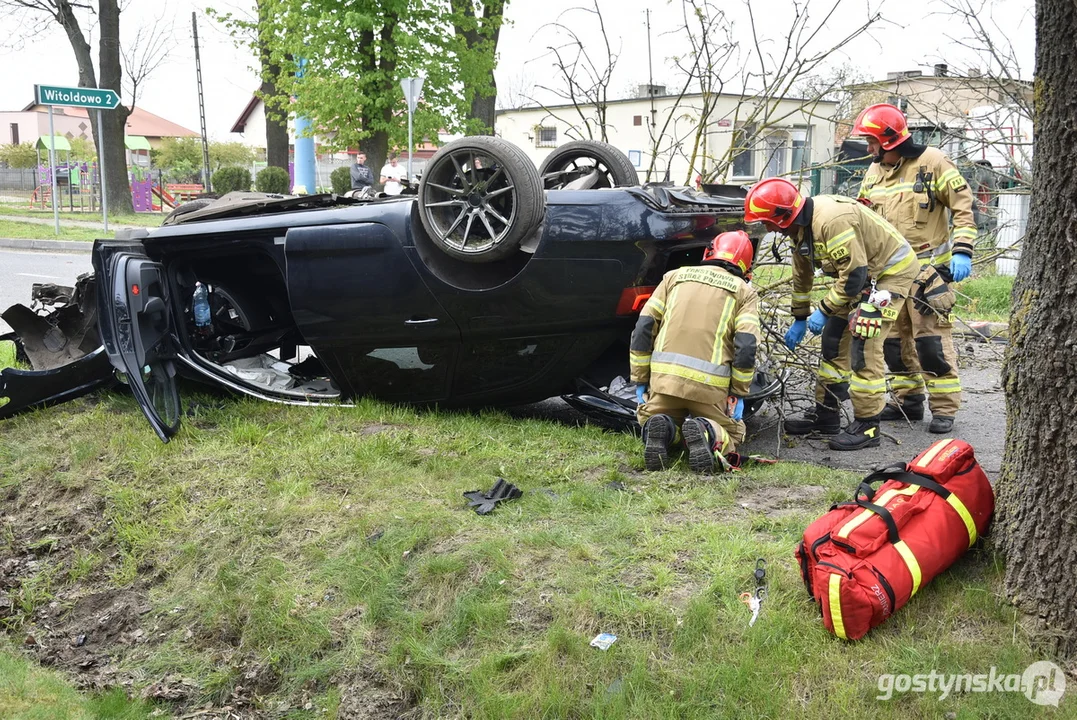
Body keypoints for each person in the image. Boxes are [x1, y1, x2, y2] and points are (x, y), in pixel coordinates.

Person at [744, 178, 920, 451]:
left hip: (888, 276)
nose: (766, 228)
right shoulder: (801, 229)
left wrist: (823, 310)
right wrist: (801, 316)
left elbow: (854, 275)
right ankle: (827, 415)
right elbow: (801, 277)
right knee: (834, 340)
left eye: (767, 222)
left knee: (864, 344)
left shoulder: (831, 220)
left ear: (783, 216)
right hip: (862, 279)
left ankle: (868, 425)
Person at [853, 103, 975, 434]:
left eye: (872, 142)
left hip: (928, 276)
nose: (869, 149)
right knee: (893, 342)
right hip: (890, 279)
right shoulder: (873, 173)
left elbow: (963, 206)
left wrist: (962, 251)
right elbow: (864, 220)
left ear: (889, 141)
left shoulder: (932, 162)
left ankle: (944, 409)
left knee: (930, 344)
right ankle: (908, 400)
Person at [630, 230, 760, 473]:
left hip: (664, 382)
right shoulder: (744, 292)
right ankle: (706, 431)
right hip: (710, 389)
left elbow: (644, 327)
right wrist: (738, 393)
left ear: (708, 252)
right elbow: (746, 344)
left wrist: (640, 378)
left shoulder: (674, 277)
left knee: (654, 418)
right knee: (732, 434)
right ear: (746, 268)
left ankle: (666, 429)